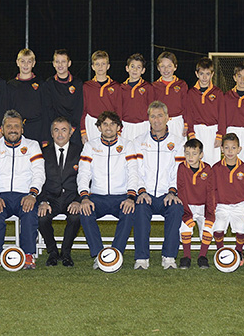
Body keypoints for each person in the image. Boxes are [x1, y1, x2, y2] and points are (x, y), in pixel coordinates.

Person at [0, 110, 45, 269]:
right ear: (2, 129)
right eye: (9, 126)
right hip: (0, 195)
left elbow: (39, 173)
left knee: (30, 212)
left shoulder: (32, 145)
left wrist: (32, 194)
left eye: (16, 126)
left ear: (22, 129)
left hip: (24, 195)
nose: (13, 129)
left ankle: (28, 255)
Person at [77, 111, 138, 268]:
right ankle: (99, 255)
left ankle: (114, 255)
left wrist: (131, 197)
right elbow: (83, 173)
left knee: (130, 211)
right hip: (97, 196)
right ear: (99, 127)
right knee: (84, 210)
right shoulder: (90, 146)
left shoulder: (128, 145)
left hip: (121, 196)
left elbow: (133, 172)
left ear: (118, 127)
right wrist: (84, 197)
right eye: (105, 124)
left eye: (112, 124)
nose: (109, 127)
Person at [133, 100, 184, 270]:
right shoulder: (138, 141)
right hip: (145, 194)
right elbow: (135, 171)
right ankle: (141, 258)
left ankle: (169, 257)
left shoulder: (178, 142)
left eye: (160, 116)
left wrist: (172, 192)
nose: (156, 120)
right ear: (148, 119)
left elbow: (178, 171)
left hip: (166, 195)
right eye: (153, 116)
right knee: (139, 208)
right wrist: (141, 191)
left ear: (168, 118)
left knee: (176, 208)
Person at [37, 117, 82, 267]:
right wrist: (43, 201)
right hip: (51, 198)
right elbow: (38, 178)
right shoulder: (42, 153)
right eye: (56, 130)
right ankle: (53, 252)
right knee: (42, 217)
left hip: (72, 198)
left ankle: (66, 252)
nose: (60, 134)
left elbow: (87, 178)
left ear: (70, 133)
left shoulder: (81, 151)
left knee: (75, 217)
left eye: (64, 130)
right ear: (51, 133)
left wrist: (78, 200)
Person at [212, 133, 244, 262]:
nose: (230, 151)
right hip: (221, 205)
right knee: (218, 227)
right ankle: (221, 250)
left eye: (233, 148)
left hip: (240, 204)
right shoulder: (216, 168)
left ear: (239, 149)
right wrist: (212, 208)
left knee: (242, 228)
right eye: (227, 148)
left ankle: (238, 251)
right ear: (221, 149)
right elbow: (212, 190)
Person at [176, 138, 215, 269]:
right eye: (187, 153)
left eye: (194, 153)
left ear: (201, 155)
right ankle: (186, 256)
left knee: (208, 228)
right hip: (187, 206)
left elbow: (210, 191)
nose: (190, 157)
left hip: (203, 207)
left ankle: (202, 256)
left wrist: (210, 213)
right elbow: (181, 190)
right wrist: (186, 213)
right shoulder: (181, 167)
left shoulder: (207, 169)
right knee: (185, 228)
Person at [185, 57, 226, 166]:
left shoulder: (218, 93)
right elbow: (189, 114)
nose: (204, 77)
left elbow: (222, 115)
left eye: (207, 74)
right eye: (201, 73)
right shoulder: (191, 93)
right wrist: (191, 132)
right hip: (197, 131)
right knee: (196, 164)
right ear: (196, 74)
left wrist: (220, 135)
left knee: (213, 165)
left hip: (213, 131)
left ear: (212, 74)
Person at [42, 49, 83, 146]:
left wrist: (71, 128)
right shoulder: (48, 84)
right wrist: (57, 128)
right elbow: (48, 109)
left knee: (74, 159)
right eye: (57, 61)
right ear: (53, 64)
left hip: (73, 129)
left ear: (69, 63)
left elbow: (79, 108)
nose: (60, 65)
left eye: (63, 61)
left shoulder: (77, 83)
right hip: (56, 130)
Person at [81, 50, 123, 144]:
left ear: (108, 66)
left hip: (109, 125)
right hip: (91, 124)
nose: (100, 67)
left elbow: (119, 110)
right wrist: (83, 131)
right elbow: (83, 110)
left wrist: (118, 129)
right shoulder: (86, 86)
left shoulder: (116, 86)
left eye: (103, 64)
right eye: (97, 64)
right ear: (93, 67)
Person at [7, 48, 46, 144]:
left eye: (29, 61)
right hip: (16, 128)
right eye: (22, 61)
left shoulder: (41, 84)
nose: (25, 64)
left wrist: (45, 136)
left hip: (37, 128)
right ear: (17, 62)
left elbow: (46, 110)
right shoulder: (10, 85)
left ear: (34, 63)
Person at [152, 51, 188, 149]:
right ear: (158, 68)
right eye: (162, 66)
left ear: (175, 67)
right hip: (160, 122)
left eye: (169, 66)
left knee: (179, 150)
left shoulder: (182, 84)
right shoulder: (154, 86)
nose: (166, 69)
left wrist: (186, 124)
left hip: (177, 122)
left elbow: (186, 106)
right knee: (161, 150)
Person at [121, 53, 155, 141]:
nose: (135, 70)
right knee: (126, 153)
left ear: (143, 70)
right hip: (125, 126)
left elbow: (152, 109)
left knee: (143, 153)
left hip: (143, 126)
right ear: (127, 68)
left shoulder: (148, 87)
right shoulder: (120, 88)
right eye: (132, 66)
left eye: (138, 67)